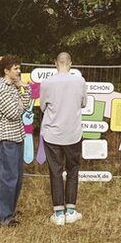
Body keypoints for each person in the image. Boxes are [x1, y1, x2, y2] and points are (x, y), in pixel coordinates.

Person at [39, 52, 86, 225]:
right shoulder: (80, 82)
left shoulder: (47, 83)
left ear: (55, 63)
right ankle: (71, 211)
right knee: (73, 170)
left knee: (55, 171)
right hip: (73, 133)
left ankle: (58, 213)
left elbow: (43, 106)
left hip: (53, 134)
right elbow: (84, 103)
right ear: (70, 64)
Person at [0, 55, 27, 227]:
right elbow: (13, 114)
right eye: (16, 68)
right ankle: (3, 216)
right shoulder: (2, 89)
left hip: (17, 136)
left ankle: (7, 211)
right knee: (7, 178)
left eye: (19, 68)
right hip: (6, 138)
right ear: (6, 71)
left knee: (16, 177)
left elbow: (24, 106)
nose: (19, 71)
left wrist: (24, 91)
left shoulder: (14, 87)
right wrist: (19, 105)